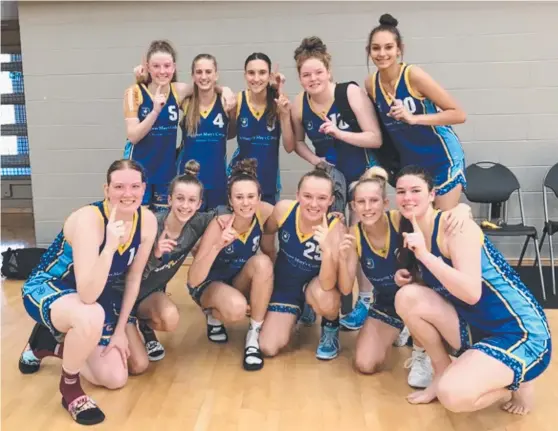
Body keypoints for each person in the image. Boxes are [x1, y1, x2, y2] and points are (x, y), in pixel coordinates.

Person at [393, 164, 551, 415]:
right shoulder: (410, 227)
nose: (407, 198)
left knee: (452, 396)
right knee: (407, 297)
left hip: (519, 332)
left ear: (432, 194)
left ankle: (517, 382)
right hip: (475, 325)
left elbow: (470, 292)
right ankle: (442, 372)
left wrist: (424, 255)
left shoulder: (456, 227)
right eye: (401, 192)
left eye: (415, 190)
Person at [18, 160, 158, 425]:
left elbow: (134, 277)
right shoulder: (88, 220)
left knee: (116, 378)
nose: (127, 193)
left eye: (134, 186)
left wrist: (119, 332)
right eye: (119, 186)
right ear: (107, 189)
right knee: (90, 313)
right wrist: (109, 247)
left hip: (96, 293)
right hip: (52, 286)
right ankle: (69, 388)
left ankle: (50, 344)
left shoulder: (147, 221)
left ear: (144, 189)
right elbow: (87, 295)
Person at [338, 166, 471, 377]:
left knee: (414, 293)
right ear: (353, 206)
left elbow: (436, 214)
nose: (367, 207)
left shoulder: (403, 220)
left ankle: (422, 352)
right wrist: (343, 259)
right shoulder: (353, 236)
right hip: (386, 302)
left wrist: (462, 209)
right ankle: (401, 329)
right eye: (361, 202)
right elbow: (345, 288)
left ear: (385, 203)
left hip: (421, 298)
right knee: (365, 364)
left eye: (373, 201)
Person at [290, 36, 383, 333]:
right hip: (333, 181)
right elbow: (294, 143)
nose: (313, 78)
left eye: (318, 72)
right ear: (300, 78)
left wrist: (341, 135)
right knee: (331, 240)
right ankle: (326, 301)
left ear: (329, 71)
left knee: (358, 238)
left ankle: (366, 300)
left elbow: (374, 138)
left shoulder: (349, 93)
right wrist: (316, 161)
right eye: (306, 74)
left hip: (363, 176)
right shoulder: (299, 103)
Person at [124, 160, 228, 363]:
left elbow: (222, 210)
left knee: (170, 318)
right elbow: (128, 275)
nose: (185, 206)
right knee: (137, 364)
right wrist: (155, 254)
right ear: (169, 200)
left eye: (192, 201)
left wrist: (223, 213)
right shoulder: (151, 225)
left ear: (199, 204)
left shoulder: (196, 223)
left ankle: (145, 327)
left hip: (147, 297)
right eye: (180, 199)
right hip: (122, 294)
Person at [365, 13, 467, 211]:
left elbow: (458, 114)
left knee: (443, 227)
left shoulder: (413, 76)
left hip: (441, 157)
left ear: (399, 50)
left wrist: (414, 118)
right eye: (376, 48)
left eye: (388, 47)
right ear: (368, 51)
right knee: (420, 229)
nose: (382, 53)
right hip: (412, 164)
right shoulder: (371, 84)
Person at [126, 41, 235, 212]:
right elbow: (133, 136)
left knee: (161, 224)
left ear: (174, 67)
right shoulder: (135, 92)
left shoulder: (178, 91)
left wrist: (226, 90)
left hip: (165, 172)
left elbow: (205, 85)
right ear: (147, 67)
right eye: (156, 66)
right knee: (139, 222)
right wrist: (154, 111)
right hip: (140, 170)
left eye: (167, 66)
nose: (162, 71)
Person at [187, 159, 275, 371]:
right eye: (239, 197)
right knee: (236, 309)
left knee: (263, 263)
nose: (246, 203)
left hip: (236, 279)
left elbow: (292, 212)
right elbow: (193, 279)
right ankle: (212, 313)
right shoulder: (220, 223)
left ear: (259, 198)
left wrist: (333, 214)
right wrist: (218, 245)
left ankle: (253, 337)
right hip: (208, 284)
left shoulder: (262, 213)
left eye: (251, 197)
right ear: (230, 200)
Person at [258, 164, 347, 360]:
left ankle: (330, 326)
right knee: (267, 347)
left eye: (322, 198)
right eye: (307, 196)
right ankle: (301, 310)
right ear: (298, 195)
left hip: (318, 285)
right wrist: (270, 257)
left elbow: (329, 283)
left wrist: (327, 249)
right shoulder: (284, 210)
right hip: (286, 287)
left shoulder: (336, 228)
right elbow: (268, 231)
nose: (314, 204)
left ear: (331, 200)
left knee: (324, 296)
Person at [228, 52, 295, 206]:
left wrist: (285, 116)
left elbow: (290, 147)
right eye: (251, 73)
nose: (256, 78)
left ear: (270, 75)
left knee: (267, 229)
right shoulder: (238, 100)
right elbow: (229, 134)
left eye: (262, 73)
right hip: (239, 181)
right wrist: (229, 111)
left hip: (269, 181)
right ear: (245, 75)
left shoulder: (279, 103)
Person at [177, 54, 236, 211]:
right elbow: (164, 87)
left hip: (217, 180)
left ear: (216, 74)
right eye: (199, 72)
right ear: (193, 76)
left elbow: (231, 134)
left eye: (208, 72)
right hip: (189, 182)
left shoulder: (226, 102)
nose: (204, 76)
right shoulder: (185, 102)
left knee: (216, 230)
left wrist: (223, 90)